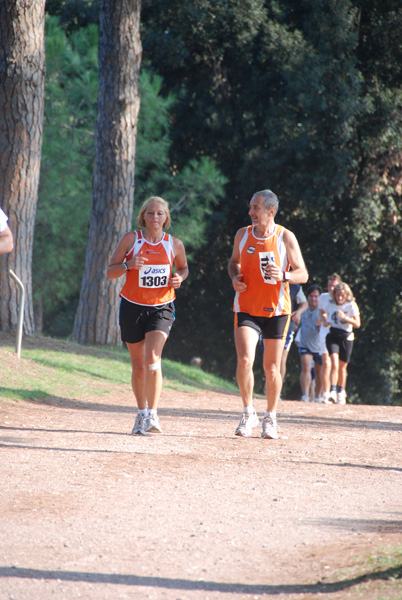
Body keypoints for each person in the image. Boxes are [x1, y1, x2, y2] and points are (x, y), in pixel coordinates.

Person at [228, 189, 308, 440]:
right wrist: (234, 278)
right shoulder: (242, 234)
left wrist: (283, 275)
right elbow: (233, 262)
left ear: (270, 211)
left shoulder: (285, 237)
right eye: (251, 207)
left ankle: (270, 417)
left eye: (256, 208)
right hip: (246, 306)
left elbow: (303, 274)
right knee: (244, 361)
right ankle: (248, 411)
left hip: (277, 309)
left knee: (272, 367)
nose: (250, 212)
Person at [107, 196, 188, 435]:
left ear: (166, 219)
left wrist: (179, 278)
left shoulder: (174, 244)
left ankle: (153, 415)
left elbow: (183, 268)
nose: (155, 217)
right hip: (132, 306)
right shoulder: (131, 239)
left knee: (153, 357)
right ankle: (141, 413)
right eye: (151, 213)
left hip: (162, 307)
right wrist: (128, 265)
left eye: (160, 214)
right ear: (143, 216)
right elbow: (111, 271)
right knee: (138, 365)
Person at [325, 282, 360, 404]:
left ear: (346, 295)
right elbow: (324, 314)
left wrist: (345, 318)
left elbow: (357, 323)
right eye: (337, 295)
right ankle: (332, 391)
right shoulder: (330, 305)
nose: (339, 298)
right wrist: (324, 320)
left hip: (346, 337)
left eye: (342, 295)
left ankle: (341, 391)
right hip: (333, 336)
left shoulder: (351, 305)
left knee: (342, 368)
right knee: (334, 363)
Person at [317, 272, 342, 402]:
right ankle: (325, 393)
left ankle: (335, 391)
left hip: (338, 334)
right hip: (325, 332)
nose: (331, 289)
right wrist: (323, 318)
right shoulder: (323, 297)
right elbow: (321, 312)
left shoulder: (342, 298)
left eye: (334, 286)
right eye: (329, 286)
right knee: (326, 363)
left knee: (336, 364)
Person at [298, 284, 323, 403]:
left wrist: (321, 325)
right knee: (306, 367)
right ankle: (305, 395)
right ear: (308, 297)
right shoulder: (303, 308)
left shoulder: (322, 310)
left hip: (319, 346)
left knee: (319, 372)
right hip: (305, 344)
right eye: (311, 296)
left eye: (316, 296)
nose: (314, 299)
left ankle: (318, 396)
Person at [280, 283, 308, 384]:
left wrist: (298, 312)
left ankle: (276, 388)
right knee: (269, 357)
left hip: (286, 326)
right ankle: (269, 384)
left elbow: (304, 304)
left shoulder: (294, 285)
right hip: (267, 321)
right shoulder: (268, 276)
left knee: (282, 358)